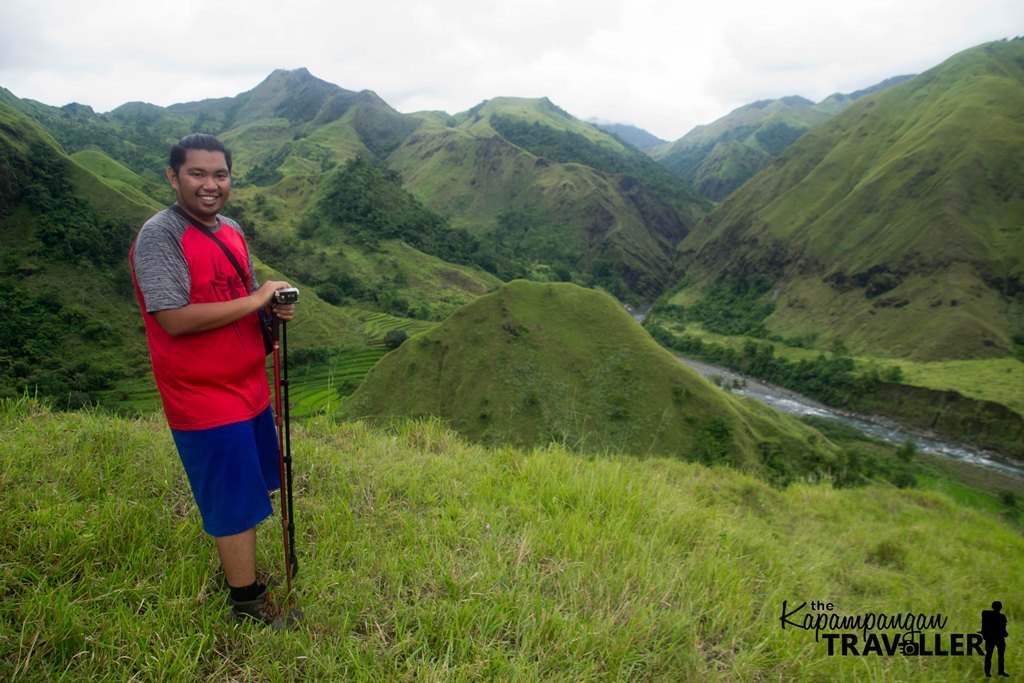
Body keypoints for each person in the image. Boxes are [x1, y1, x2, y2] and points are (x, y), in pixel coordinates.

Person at [129, 133, 301, 629]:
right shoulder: (159, 236)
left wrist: (271, 310)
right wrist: (256, 299)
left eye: (219, 174)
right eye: (197, 174)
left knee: (249, 488)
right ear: (173, 176)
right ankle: (246, 602)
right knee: (231, 499)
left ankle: (244, 573)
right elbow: (174, 318)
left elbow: (237, 296)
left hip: (248, 387)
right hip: (202, 395)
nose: (210, 185)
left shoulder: (231, 230)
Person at [981, 601, 1009, 678]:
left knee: (989, 655)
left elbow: (984, 625)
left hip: (992, 638)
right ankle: (1000, 671)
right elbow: (1004, 630)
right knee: (999, 656)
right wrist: (1005, 634)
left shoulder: (987, 615)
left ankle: (988, 672)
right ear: (1000, 607)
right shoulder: (1002, 617)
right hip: (998, 638)